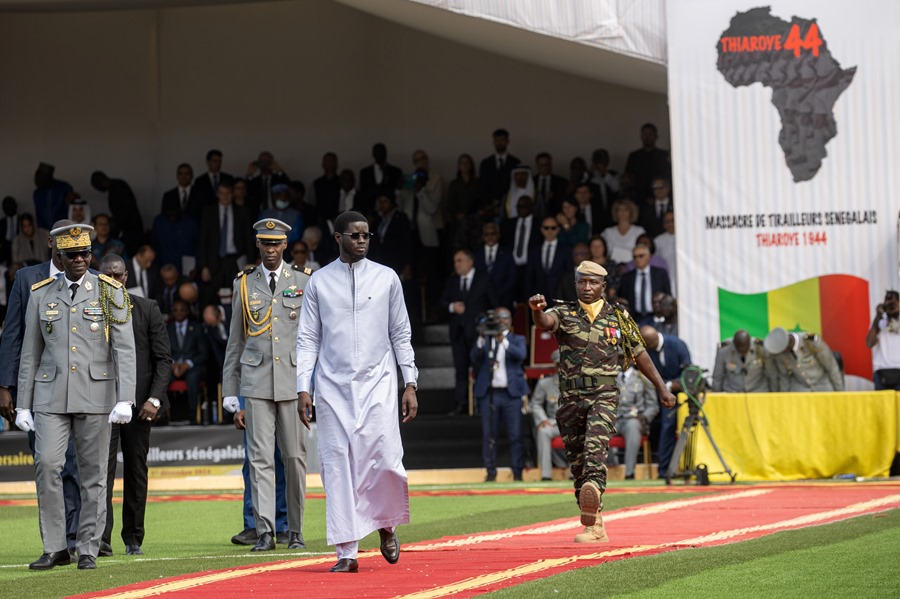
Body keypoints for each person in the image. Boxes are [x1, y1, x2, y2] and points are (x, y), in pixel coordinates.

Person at [296, 210, 418, 573]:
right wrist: (304, 386)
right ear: (338, 238)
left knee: (385, 459)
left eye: (367, 235)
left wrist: (409, 382)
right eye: (355, 235)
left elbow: (401, 333)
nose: (362, 240)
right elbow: (307, 339)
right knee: (336, 465)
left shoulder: (386, 278)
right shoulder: (319, 281)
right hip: (331, 387)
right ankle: (346, 551)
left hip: (378, 383)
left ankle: (387, 525)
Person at [15, 223, 136, 570]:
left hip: (97, 393)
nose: (81, 259)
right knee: (48, 465)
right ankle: (55, 546)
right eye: (73, 254)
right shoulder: (41, 293)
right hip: (50, 395)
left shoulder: (109, 290)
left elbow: (124, 351)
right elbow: (30, 353)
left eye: (85, 253)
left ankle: (87, 546)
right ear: (60, 256)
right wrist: (24, 402)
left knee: (94, 473)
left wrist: (125, 397)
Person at [529, 262, 675, 542]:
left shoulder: (619, 317)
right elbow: (546, 323)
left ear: (603, 287)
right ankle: (595, 524)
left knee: (595, 447)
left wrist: (661, 388)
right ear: (576, 284)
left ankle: (594, 489)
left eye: (593, 283)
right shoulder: (564, 312)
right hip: (570, 398)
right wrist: (537, 311)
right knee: (578, 463)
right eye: (582, 282)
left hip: (604, 396)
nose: (587, 287)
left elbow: (640, 353)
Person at [223, 219, 311, 552]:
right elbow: (235, 341)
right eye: (265, 244)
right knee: (259, 459)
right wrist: (230, 392)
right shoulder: (244, 284)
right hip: (256, 382)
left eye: (276, 244)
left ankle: (296, 530)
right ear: (257, 245)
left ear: (285, 245)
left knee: (294, 457)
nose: (271, 249)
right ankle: (264, 531)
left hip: (292, 381)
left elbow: (313, 339)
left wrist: (311, 385)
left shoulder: (304, 280)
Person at [0, 219, 83, 556]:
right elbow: (12, 335)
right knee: (47, 463)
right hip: (36, 390)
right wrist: (5, 386)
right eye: (63, 241)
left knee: (75, 465)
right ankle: (56, 541)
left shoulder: (90, 280)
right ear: (51, 243)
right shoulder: (26, 278)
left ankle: (76, 538)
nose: (71, 250)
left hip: (80, 388)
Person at [99, 255, 172, 557]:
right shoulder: (90, 311)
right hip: (100, 406)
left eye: (118, 275)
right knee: (100, 474)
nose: (113, 281)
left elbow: (163, 359)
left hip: (140, 405)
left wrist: (154, 399)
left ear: (127, 276)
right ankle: (100, 539)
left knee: (135, 471)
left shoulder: (146, 308)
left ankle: (133, 538)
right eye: (107, 276)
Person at [470, 307, 527, 482]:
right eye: (498, 318)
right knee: (489, 435)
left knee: (515, 434)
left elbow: (521, 355)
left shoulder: (517, 339)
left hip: (511, 395)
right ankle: (490, 472)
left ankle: (517, 472)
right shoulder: (486, 339)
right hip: (490, 394)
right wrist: (481, 338)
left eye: (505, 318)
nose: (501, 321)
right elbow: (473, 358)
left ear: (510, 320)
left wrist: (503, 341)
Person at [440, 249, 497, 416]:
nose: (456, 264)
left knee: (480, 369)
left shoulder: (484, 279)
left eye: (460, 260)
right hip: (458, 333)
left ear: (470, 262)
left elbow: (494, 303)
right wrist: (452, 307)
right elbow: (442, 302)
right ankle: (462, 405)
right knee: (460, 370)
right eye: (455, 261)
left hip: (479, 334)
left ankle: (481, 404)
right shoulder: (452, 281)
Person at [639, 325, 692, 478]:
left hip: (683, 394)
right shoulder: (649, 350)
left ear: (651, 341)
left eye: (645, 344)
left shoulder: (676, 344)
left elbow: (688, 370)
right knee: (664, 426)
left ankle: (683, 467)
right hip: (662, 395)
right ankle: (664, 470)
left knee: (680, 427)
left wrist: (674, 384)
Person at [614, 366, 659, 479]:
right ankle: (598, 472)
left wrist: (644, 417)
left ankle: (629, 472)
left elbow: (653, 406)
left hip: (633, 419)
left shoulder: (642, 378)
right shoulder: (611, 377)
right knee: (597, 428)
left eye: (621, 357)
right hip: (614, 419)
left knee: (633, 426)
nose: (618, 361)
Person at [764, 327, 844, 392]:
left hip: (823, 386)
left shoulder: (810, 342)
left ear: (787, 345)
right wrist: (784, 399)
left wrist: (840, 393)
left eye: (781, 351)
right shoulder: (780, 353)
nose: (780, 355)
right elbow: (784, 377)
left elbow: (832, 367)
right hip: (800, 389)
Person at [531, 349, 568, 481]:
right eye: (558, 365)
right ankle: (545, 475)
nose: (561, 368)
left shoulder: (578, 381)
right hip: (553, 423)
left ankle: (574, 474)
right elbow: (535, 404)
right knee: (543, 432)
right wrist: (543, 419)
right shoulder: (545, 383)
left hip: (571, 423)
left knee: (579, 432)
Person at [167, 300, 206, 422]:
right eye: (175, 310)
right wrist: (173, 364)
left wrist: (188, 364)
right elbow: (163, 351)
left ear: (187, 311)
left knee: (193, 377)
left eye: (182, 309)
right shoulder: (168, 328)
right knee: (161, 377)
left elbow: (204, 353)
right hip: (173, 366)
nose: (179, 312)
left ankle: (192, 415)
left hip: (192, 366)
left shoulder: (197, 327)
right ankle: (162, 415)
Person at [619, 242, 671, 326]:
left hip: (657, 318)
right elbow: (623, 299)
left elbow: (668, 295)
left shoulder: (660, 274)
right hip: (635, 319)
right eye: (635, 257)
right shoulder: (627, 277)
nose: (637, 259)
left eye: (641, 256)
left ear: (649, 256)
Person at [866, 291, 900, 390]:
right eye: (887, 303)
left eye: (893, 304)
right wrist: (877, 318)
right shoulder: (880, 321)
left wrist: (896, 314)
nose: (890, 306)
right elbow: (869, 343)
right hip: (881, 373)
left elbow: (893, 327)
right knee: (881, 406)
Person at [479, 128, 521, 205]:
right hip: (489, 205)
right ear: (493, 142)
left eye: (502, 140)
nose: (499, 143)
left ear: (507, 141)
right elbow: (483, 186)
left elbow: (516, 186)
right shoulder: (486, 163)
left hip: (510, 204)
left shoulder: (516, 163)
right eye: (496, 140)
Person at [601, 199, 645, 264]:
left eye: (626, 210)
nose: (623, 212)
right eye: (620, 210)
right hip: (612, 267)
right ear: (616, 212)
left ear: (631, 212)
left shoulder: (639, 231)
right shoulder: (607, 232)